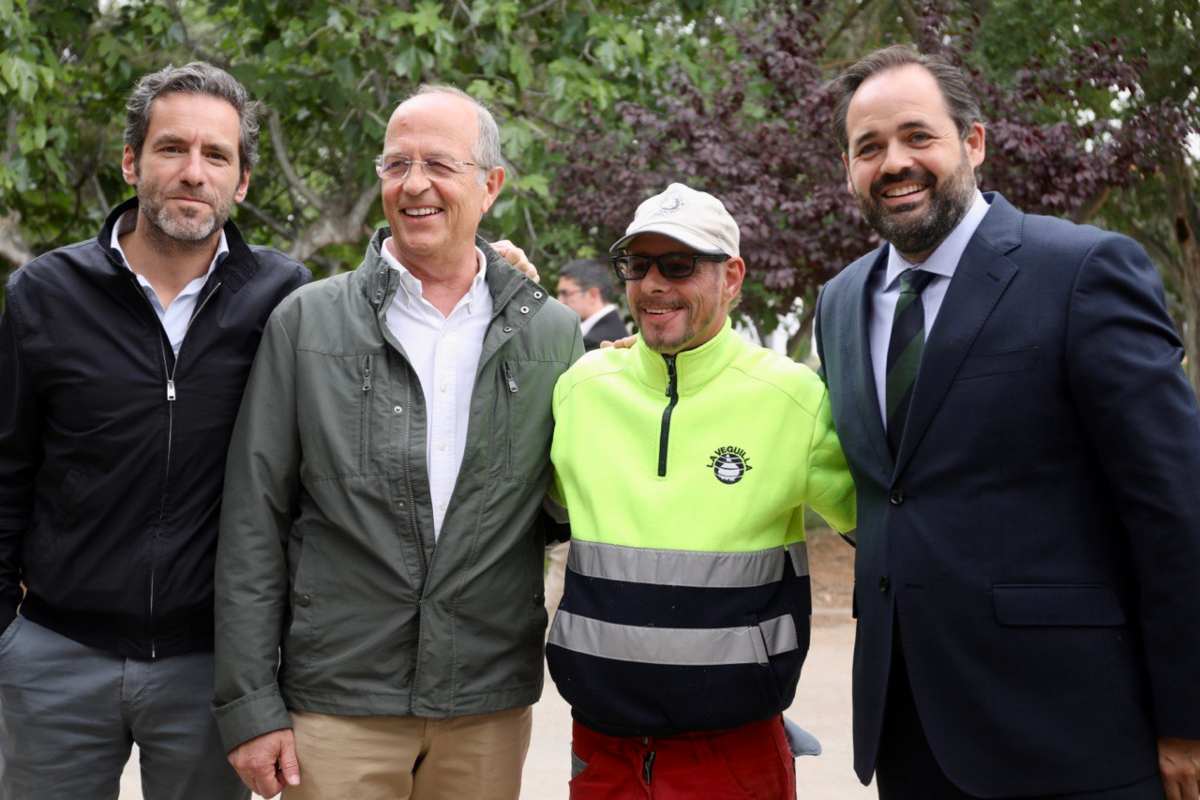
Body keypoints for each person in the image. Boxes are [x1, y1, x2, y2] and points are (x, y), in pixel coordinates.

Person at [814, 45, 1200, 799]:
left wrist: (1187, 715)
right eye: (870, 148)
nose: (895, 162)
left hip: (1075, 734)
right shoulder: (840, 300)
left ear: (974, 142)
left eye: (918, 137)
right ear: (849, 169)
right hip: (909, 731)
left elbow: (1175, 508)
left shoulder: (1084, 271)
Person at [213, 84, 583, 800]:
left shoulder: (552, 336)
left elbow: (570, 505)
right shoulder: (306, 325)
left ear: (491, 185)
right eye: (396, 164)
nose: (415, 184)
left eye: (439, 164)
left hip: (485, 703)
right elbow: (252, 523)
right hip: (337, 702)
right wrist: (251, 705)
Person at [0, 63, 310, 800]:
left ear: (241, 182)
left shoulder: (285, 299)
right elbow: (6, 469)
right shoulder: (45, 293)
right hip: (55, 654)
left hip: (212, 667)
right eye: (172, 149)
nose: (193, 172)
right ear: (132, 161)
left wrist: (495, 274)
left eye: (217, 156)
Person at [546, 182, 856, 798]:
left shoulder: (793, 398)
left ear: (732, 276)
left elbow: (889, 529)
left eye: (679, 264)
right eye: (638, 265)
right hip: (601, 745)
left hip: (737, 745)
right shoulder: (582, 387)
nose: (654, 283)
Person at [557, 257, 630, 350]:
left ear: (592, 294)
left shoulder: (595, 342)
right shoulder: (613, 329)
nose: (559, 301)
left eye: (565, 294)